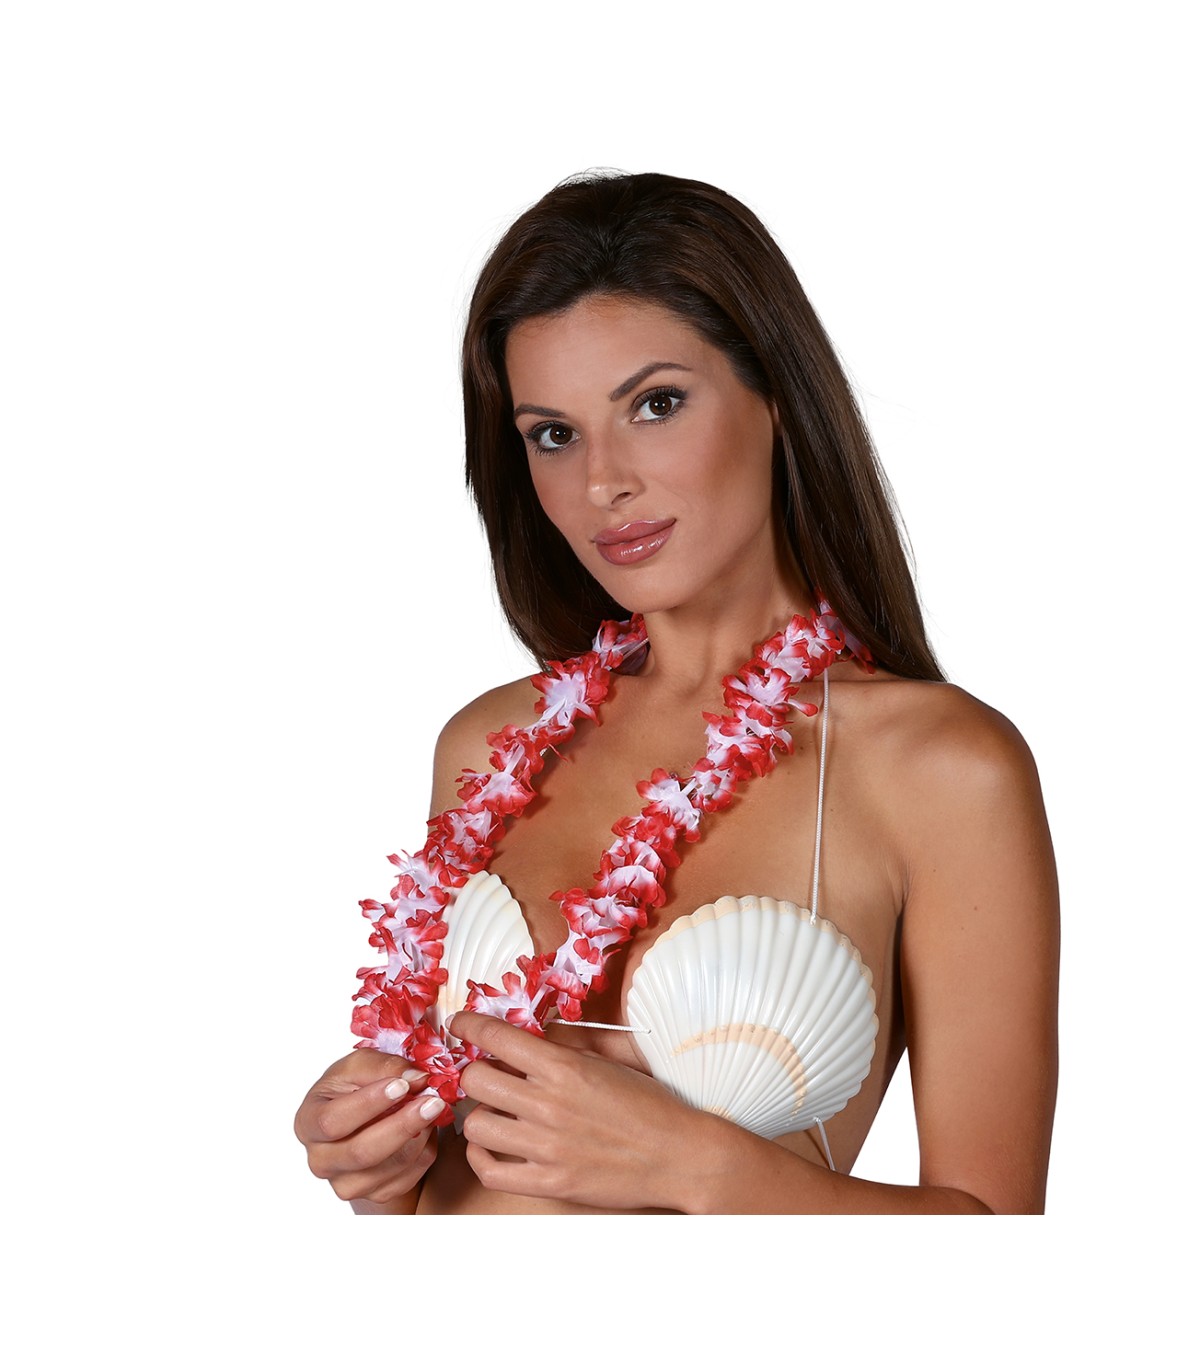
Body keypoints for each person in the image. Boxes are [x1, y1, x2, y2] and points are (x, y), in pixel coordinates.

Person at [293, 171, 1059, 1214]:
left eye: (655, 405)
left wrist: (692, 1165)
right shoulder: (489, 744)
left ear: (777, 397)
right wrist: (381, 1168)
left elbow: (999, 1249)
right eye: (553, 433)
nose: (602, 481)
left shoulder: (941, 769)